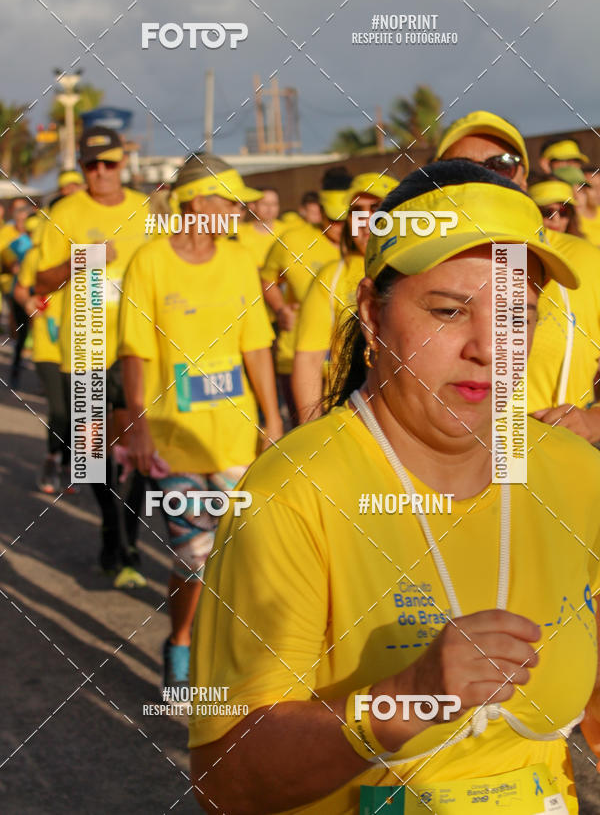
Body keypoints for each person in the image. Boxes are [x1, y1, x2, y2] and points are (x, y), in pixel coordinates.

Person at [189, 161, 600, 814]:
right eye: (447, 310)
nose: (489, 348)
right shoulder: (293, 494)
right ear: (372, 316)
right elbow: (225, 780)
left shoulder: (573, 472)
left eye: (515, 315)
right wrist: (405, 698)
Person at [118, 153, 283, 692]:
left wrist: (272, 418)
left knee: (252, 552)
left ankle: (240, 661)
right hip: (175, 440)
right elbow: (135, 349)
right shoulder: (149, 262)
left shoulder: (239, 262)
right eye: (228, 201)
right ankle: (182, 640)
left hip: (236, 437)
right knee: (194, 558)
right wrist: (137, 423)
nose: (239, 210)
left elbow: (256, 343)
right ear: (195, 204)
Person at [437, 111, 600, 443]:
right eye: (462, 167)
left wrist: (593, 421)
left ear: (523, 178)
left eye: (501, 164)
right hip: (448, 466)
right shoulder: (415, 263)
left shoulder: (584, 259)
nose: (483, 178)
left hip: (558, 464)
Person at [36, 126, 149, 587]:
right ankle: (110, 525)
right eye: (91, 165)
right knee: (89, 452)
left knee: (137, 446)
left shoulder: (146, 209)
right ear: (82, 167)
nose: (100, 173)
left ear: (123, 162)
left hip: (136, 347)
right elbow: (42, 281)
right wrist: (80, 260)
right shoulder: (64, 211)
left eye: (109, 163)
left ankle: (131, 539)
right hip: (85, 346)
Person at [292, 172, 399, 422]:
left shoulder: (424, 267)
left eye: (377, 208)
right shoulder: (331, 276)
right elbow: (308, 359)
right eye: (357, 211)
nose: (366, 219)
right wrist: (311, 432)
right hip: (351, 419)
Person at [261, 169, 350, 425]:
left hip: (345, 363)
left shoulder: (364, 244)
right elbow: (268, 279)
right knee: (307, 438)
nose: (340, 227)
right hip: (297, 358)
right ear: (320, 211)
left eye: (346, 220)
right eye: (334, 220)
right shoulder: (292, 241)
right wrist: (280, 309)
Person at [13, 215, 68, 492]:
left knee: (82, 411)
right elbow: (20, 289)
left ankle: (69, 465)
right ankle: (51, 460)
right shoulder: (35, 255)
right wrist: (28, 301)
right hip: (48, 344)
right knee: (59, 410)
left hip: (85, 345)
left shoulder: (88, 252)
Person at [3, 198, 35, 388]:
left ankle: (41, 374)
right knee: (22, 333)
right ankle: (15, 369)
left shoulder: (42, 239)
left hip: (40, 291)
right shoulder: (16, 243)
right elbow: (10, 266)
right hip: (19, 291)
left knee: (40, 332)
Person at [234, 187, 284, 268]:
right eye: (265, 204)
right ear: (252, 206)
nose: (270, 208)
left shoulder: (288, 231)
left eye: (274, 204)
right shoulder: (238, 233)